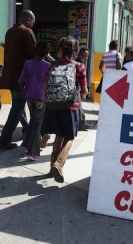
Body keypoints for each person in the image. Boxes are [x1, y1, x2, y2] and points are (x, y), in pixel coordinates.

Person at [41, 36, 88, 183]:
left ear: (60, 49)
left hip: (53, 106)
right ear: (75, 51)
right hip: (70, 106)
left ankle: (51, 169)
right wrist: (82, 93)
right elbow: (84, 91)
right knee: (69, 137)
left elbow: (44, 86)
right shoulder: (79, 66)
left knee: (58, 136)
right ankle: (59, 164)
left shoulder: (52, 65)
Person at [0, 10, 36, 149]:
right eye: (32, 22)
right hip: (22, 77)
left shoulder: (10, 31)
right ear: (28, 19)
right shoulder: (26, 32)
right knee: (17, 108)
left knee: (19, 106)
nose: (33, 24)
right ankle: (4, 140)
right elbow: (34, 54)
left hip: (11, 76)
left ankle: (27, 129)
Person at [18, 40, 52, 161]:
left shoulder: (28, 63)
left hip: (29, 95)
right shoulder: (48, 66)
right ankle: (34, 152)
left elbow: (21, 80)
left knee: (33, 120)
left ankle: (27, 144)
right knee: (37, 123)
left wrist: (23, 90)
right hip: (41, 96)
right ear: (47, 52)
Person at [75, 47, 92, 131]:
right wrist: (84, 91)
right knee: (79, 107)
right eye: (83, 55)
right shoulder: (78, 64)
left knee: (79, 107)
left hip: (77, 89)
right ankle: (81, 123)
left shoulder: (81, 64)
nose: (84, 58)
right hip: (75, 89)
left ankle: (81, 123)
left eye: (86, 56)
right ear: (79, 54)